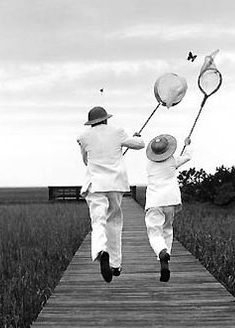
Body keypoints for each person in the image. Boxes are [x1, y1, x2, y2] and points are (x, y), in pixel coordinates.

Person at [77, 106, 144, 283]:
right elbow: (140, 145)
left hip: (95, 183)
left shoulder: (83, 137)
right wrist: (136, 137)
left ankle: (101, 251)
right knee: (114, 221)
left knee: (98, 221)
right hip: (115, 183)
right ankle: (115, 265)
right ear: (106, 119)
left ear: (91, 122)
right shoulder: (118, 132)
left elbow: (85, 161)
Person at [144, 134, 192, 282]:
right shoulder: (173, 161)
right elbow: (187, 157)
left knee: (154, 232)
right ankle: (165, 257)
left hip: (154, 201)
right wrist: (187, 144)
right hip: (170, 200)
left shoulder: (149, 165)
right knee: (167, 229)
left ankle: (161, 252)